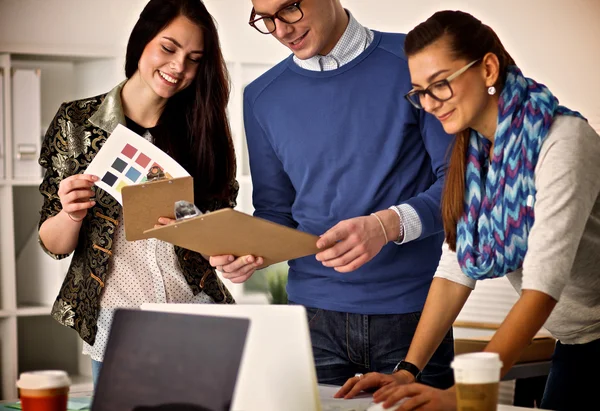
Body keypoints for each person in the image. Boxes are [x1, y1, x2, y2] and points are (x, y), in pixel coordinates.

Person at [336, 10, 600, 411]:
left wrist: (464, 394)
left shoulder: (562, 143)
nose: (428, 104)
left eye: (440, 85)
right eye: (419, 91)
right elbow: (455, 267)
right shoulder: (474, 156)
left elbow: (542, 287)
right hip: (576, 340)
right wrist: (407, 370)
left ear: (489, 68)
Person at [209, 0, 455, 387]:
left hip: (413, 317)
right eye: (265, 18)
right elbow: (276, 209)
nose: (281, 30)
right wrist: (249, 249)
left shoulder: (415, 63)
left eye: (289, 8)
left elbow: (459, 185)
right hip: (310, 318)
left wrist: (386, 226)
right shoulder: (261, 96)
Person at [37, 0, 237, 386]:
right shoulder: (77, 122)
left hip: (196, 310)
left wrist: (208, 238)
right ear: (142, 40)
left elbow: (222, 229)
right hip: (118, 315)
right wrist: (71, 214)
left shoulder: (203, 127)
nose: (179, 67)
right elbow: (53, 244)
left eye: (194, 58)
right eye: (168, 48)